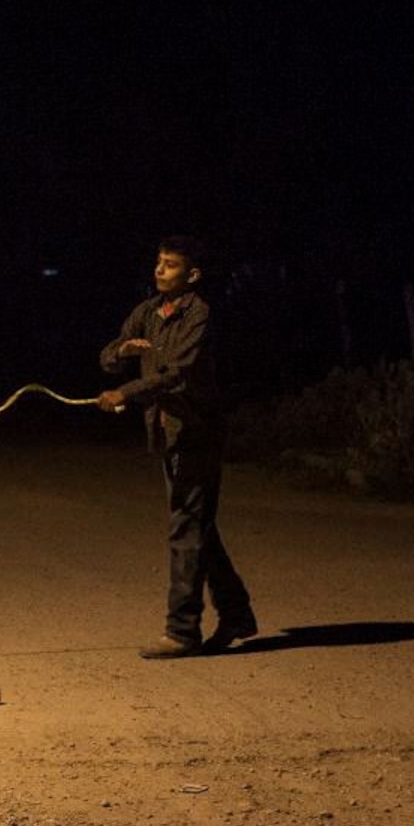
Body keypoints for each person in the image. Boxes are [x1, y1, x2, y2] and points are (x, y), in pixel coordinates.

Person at [97, 240, 259, 658]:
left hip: (197, 431)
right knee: (195, 526)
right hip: (166, 432)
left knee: (186, 528)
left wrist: (126, 392)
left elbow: (178, 373)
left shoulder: (199, 314)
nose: (160, 271)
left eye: (171, 265)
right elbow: (108, 356)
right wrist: (122, 352)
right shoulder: (148, 311)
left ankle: (183, 630)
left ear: (192, 275)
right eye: (158, 263)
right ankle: (237, 612)